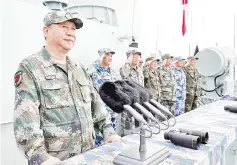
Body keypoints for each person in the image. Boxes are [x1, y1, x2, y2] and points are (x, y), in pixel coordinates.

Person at [13, 10, 120, 165]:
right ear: (46, 31)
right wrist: (40, 157)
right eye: (64, 26)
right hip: (55, 160)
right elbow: (25, 119)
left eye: (73, 29)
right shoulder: (30, 67)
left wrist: (108, 131)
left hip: (88, 156)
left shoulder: (79, 68)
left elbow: (96, 105)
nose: (70, 33)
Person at [87, 48, 120, 146]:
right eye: (108, 55)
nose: (110, 57)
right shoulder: (93, 71)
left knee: (111, 140)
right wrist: (97, 62)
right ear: (101, 56)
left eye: (111, 55)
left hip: (112, 112)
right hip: (100, 114)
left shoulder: (114, 72)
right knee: (99, 143)